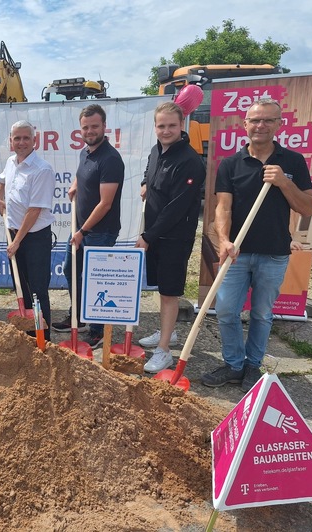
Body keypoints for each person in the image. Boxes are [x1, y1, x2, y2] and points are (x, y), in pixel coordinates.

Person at [201, 98, 312, 392]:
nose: (260, 126)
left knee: (262, 314)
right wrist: (225, 240)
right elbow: (222, 207)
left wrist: (283, 183)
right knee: (226, 310)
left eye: (267, 120)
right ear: (245, 125)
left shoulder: (292, 162)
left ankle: (253, 365)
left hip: (274, 253)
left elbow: (307, 207)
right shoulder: (231, 163)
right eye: (255, 120)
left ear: (279, 125)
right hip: (236, 254)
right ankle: (234, 365)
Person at [136, 102, 206, 373]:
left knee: (169, 292)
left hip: (174, 237)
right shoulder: (157, 150)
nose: (166, 131)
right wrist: (145, 183)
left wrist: (148, 236)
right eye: (161, 125)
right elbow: (149, 170)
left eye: (171, 126)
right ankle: (169, 333)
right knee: (163, 288)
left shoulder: (189, 161)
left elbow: (176, 208)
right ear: (155, 127)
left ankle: (164, 350)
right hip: (155, 233)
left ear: (181, 126)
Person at [51, 104, 124, 348]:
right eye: (85, 127)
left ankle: (97, 330)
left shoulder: (111, 159)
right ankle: (79, 316)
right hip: (80, 228)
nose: (90, 131)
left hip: (100, 232)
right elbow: (84, 175)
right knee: (70, 270)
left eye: (94, 126)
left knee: (94, 280)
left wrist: (82, 232)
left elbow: (105, 204)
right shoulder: (86, 152)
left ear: (104, 126)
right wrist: (75, 184)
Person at [0, 120, 55, 341]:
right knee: (22, 289)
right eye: (17, 138)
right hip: (15, 235)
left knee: (38, 291)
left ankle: (42, 339)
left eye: (26, 138)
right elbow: (2, 179)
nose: (21, 142)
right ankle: (29, 337)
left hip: (34, 237)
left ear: (35, 141)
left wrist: (17, 240)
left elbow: (35, 210)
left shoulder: (42, 170)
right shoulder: (12, 162)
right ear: (11, 141)